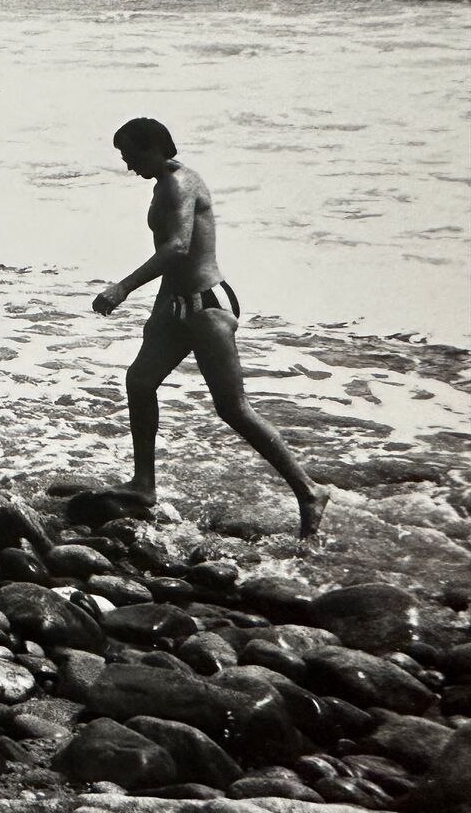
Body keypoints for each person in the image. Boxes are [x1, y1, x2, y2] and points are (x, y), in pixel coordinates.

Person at [92, 117, 329, 537]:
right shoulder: (161, 183)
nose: (127, 164)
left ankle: (309, 491)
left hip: (207, 306)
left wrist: (123, 288)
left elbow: (179, 247)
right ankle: (144, 485)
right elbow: (175, 257)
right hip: (178, 305)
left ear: (153, 148)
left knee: (232, 408)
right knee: (140, 381)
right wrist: (161, 309)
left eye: (129, 154)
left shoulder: (180, 184)